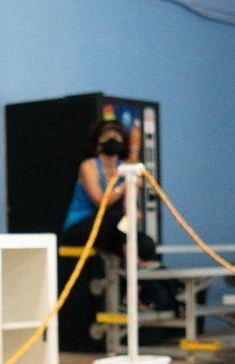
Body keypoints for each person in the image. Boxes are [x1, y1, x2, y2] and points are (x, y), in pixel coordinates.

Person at [61, 121, 173, 310]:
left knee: (146, 243)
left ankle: (143, 294)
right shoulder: (89, 166)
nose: (112, 142)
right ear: (98, 143)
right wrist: (124, 186)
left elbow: (129, 208)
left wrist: (133, 198)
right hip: (81, 227)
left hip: (114, 229)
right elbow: (99, 200)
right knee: (118, 220)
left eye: (117, 139)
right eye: (107, 139)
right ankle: (133, 265)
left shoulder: (125, 167)